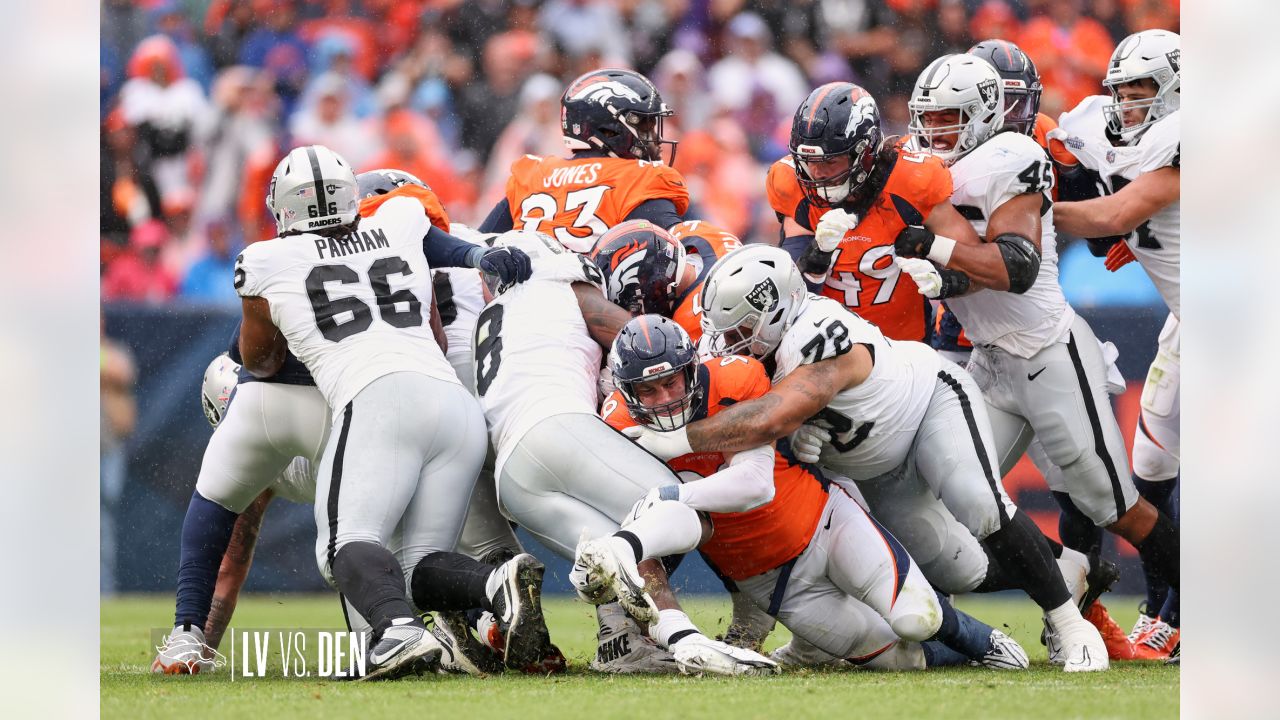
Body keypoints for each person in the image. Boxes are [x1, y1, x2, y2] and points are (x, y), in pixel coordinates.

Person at [623, 244, 1109, 671]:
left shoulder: (817, 331)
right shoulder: (746, 345)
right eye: (725, 332)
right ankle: (1070, 569)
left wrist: (678, 439)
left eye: (742, 330)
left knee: (978, 502)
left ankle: (1070, 625)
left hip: (925, 410)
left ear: (778, 311)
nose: (729, 344)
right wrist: (796, 442)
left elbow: (772, 416)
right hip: (871, 463)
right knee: (954, 569)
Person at [894, 53, 1179, 663]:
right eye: (927, 119)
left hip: (1046, 351)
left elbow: (1016, 268)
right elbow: (971, 269)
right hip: (989, 360)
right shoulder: (933, 172)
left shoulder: (1013, 157)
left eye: (948, 119)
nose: (934, 133)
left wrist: (936, 250)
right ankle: (1071, 586)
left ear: (981, 116)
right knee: (956, 495)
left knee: (1114, 505)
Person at [232, 144, 540, 679]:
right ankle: (494, 584)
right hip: (453, 405)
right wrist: (475, 258)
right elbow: (444, 246)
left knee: (341, 547)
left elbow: (257, 360)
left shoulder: (265, 260)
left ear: (282, 208)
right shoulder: (400, 219)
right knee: (415, 565)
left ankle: (396, 633)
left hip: (376, 397)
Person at [586, 315, 1029, 671]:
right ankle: (958, 655)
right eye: (648, 390)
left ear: (692, 371)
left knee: (915, 614)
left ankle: (980, 639)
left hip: (824, 522)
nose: (664, 399)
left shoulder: (733, 379)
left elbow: (755, 486)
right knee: (898, 657)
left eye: (672, 383)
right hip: (769, 580)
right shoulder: (619, 422)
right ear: (627, 392)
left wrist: (674, 493)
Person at [461, 228, 775, 676]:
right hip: (558, 429)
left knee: (618, 550)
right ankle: (664, 629)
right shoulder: (558, 282)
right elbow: (640, 341)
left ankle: (648, 642)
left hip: (512, 477)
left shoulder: (489, 319)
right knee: (685, 509)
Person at [1050, 29, 1181, 662]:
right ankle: (1164, 614)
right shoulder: (1104, 123)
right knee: (1150, 475)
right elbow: (1058, 136)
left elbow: (1110, 219)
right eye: (1122, 91)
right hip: (1188, 323)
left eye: (1144, 91)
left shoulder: (1188, 137)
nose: (1129, 103)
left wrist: (1022, 208)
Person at [765, 82, 977, 343]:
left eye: (830, 161)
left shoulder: (914, 180)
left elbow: (974, 264)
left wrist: (938, 265)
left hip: (906, 352)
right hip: (827, 347)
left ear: (865, 153)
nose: (817, 174)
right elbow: (790, 297)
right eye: (809, 161)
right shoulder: (790, 183)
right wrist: (818, 254)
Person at [477, 68, 689, 252]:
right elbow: (685, 250)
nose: (656, 138)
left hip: (523, 295)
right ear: (611, 131)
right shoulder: (641, 178)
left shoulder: (532, 175)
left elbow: (479, 245)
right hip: (593, 295)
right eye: (645, 127)